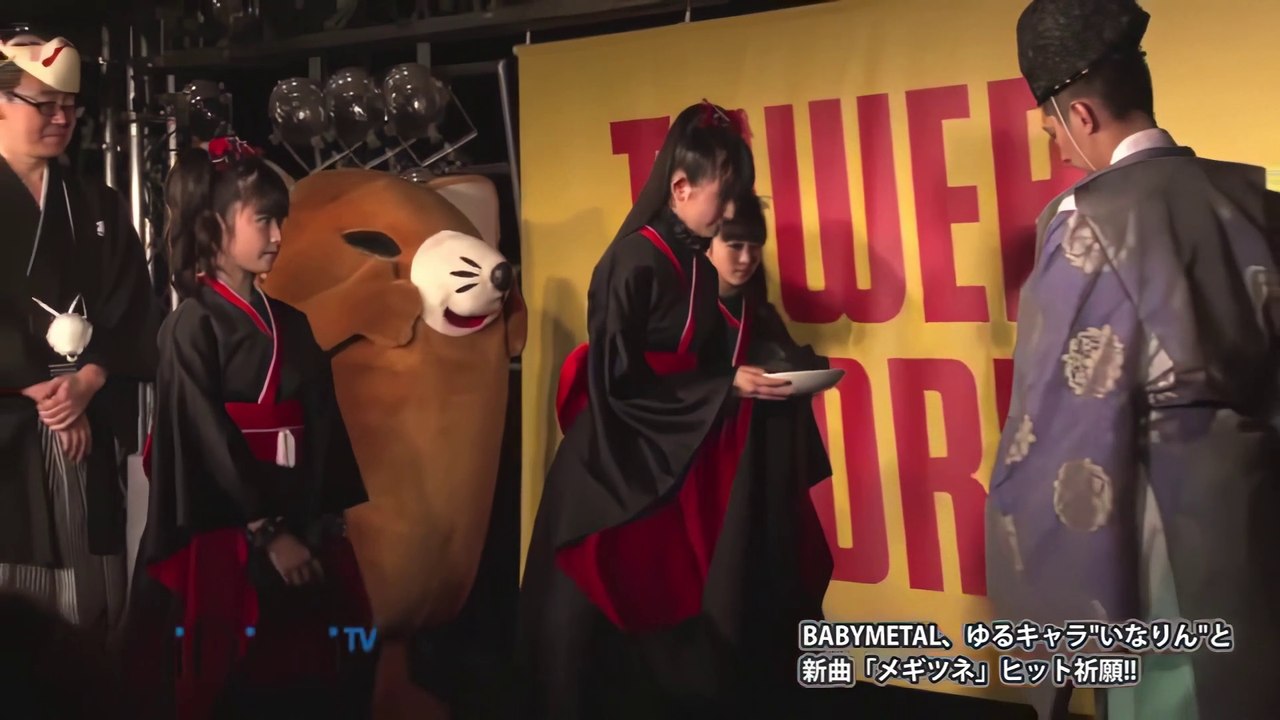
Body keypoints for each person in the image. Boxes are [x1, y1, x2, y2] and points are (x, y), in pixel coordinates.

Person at [988, 1, 1280, 719]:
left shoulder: (1090, 223)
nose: (1055, 140)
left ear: (1082, 115)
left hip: (1163, 514)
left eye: (1053, 122)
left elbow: (1054, 414)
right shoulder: (1256, 201)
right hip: (1262, 502)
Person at [520, 101, 802, 720]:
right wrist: (724, 386)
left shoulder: (697, 268)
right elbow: (617, 381)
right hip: (609, 463)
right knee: (574, 637)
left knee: (657, 624)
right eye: (724, 195)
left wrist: (749, 378)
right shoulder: (630, 262)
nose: (732, 212)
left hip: (662, 458)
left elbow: (702, 364)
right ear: (680, 187)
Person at [125, 144, 375, 720]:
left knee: (333, 663)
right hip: (226, 525)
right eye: (263, 218)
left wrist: (319, 522)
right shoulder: (190, 326)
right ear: (213, 225)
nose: (278, 235)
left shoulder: (293, 321)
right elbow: (201, 435)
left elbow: (322, 426)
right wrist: (266, 530)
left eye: (279, 219)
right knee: (229, 676)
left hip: (301, 515)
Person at [0, 32, 158, 639]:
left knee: (91, 603)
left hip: (86, 409)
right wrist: (34, 387)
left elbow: (130, 306)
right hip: (12, 426)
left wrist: (91, 378)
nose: (62, 116)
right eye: (44, 103)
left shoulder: (96, 201)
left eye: (70, 104)